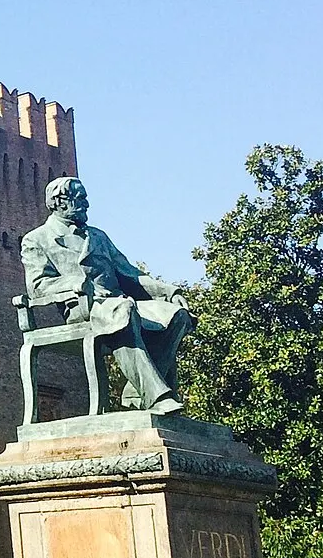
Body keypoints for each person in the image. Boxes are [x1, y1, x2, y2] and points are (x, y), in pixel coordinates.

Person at [20, 176, 193, 413]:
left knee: (177, 315)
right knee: (123, 311)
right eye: (81, 199)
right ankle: (156, 397)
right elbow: (38, 285)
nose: (87, 205)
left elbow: (130, 273)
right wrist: (76, 283)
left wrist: (169, 291)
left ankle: (136, 391)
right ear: (60, 202)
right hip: (82, 307)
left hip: (119, 302)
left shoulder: (98, 236)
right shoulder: (37, 239)